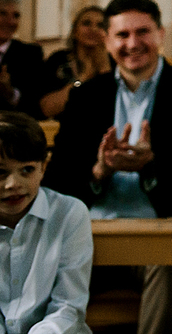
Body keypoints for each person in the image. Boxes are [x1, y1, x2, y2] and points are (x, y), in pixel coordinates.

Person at [43, 0, 172, 334]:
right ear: (107, 40)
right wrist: (99, 172)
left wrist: (150, 168)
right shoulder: (86, 96)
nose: (132, 43)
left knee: (171, 259)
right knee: (37, 264)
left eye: (143, 32)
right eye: (122, 35)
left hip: (159, 234)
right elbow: (57, 182)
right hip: (91, 237)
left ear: (161, 34)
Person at [0, 111, 92, 333]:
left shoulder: (69, 213)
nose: (13, 184)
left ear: (44, 167)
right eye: (1, 172)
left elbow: (67, 307)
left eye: (27, 170)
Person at [36, 5, 110, 119]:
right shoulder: (58, 59)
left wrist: (105, 70)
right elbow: (47, 109)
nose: (93, 29)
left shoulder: (116, 62)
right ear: (75, 30)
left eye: (101, 25)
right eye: (86, 23)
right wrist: (83, 79)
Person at [0, 0, 45, 116]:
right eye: (2, 14)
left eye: (16, 16)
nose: (10, 22)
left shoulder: (30, 55)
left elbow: (35, 104)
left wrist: (10, 93)